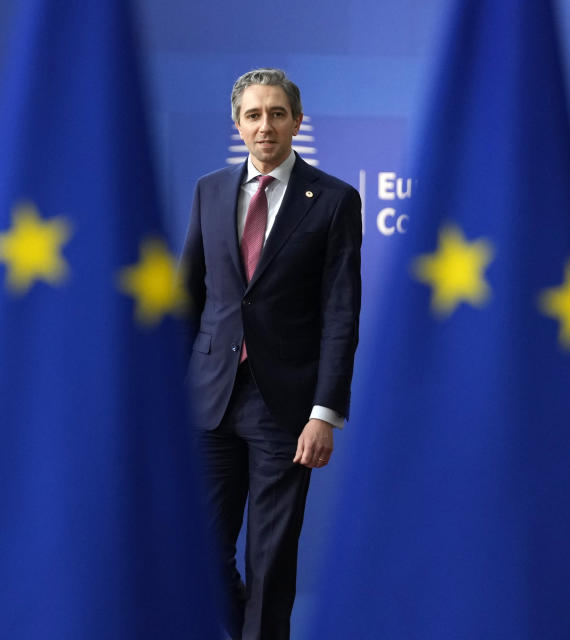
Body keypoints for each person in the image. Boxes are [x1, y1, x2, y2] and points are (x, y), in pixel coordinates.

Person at [180, 68, 361, 640]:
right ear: (237, 125)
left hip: (285, 408)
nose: (266, 126)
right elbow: (189, 296)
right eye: (254, 115)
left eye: (277, 114)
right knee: (199, 555)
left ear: (297, 122)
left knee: (271, 560)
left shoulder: (334, 199)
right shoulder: (209, 190)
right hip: (209, 400)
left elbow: (340, 314)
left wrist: (323, 413)